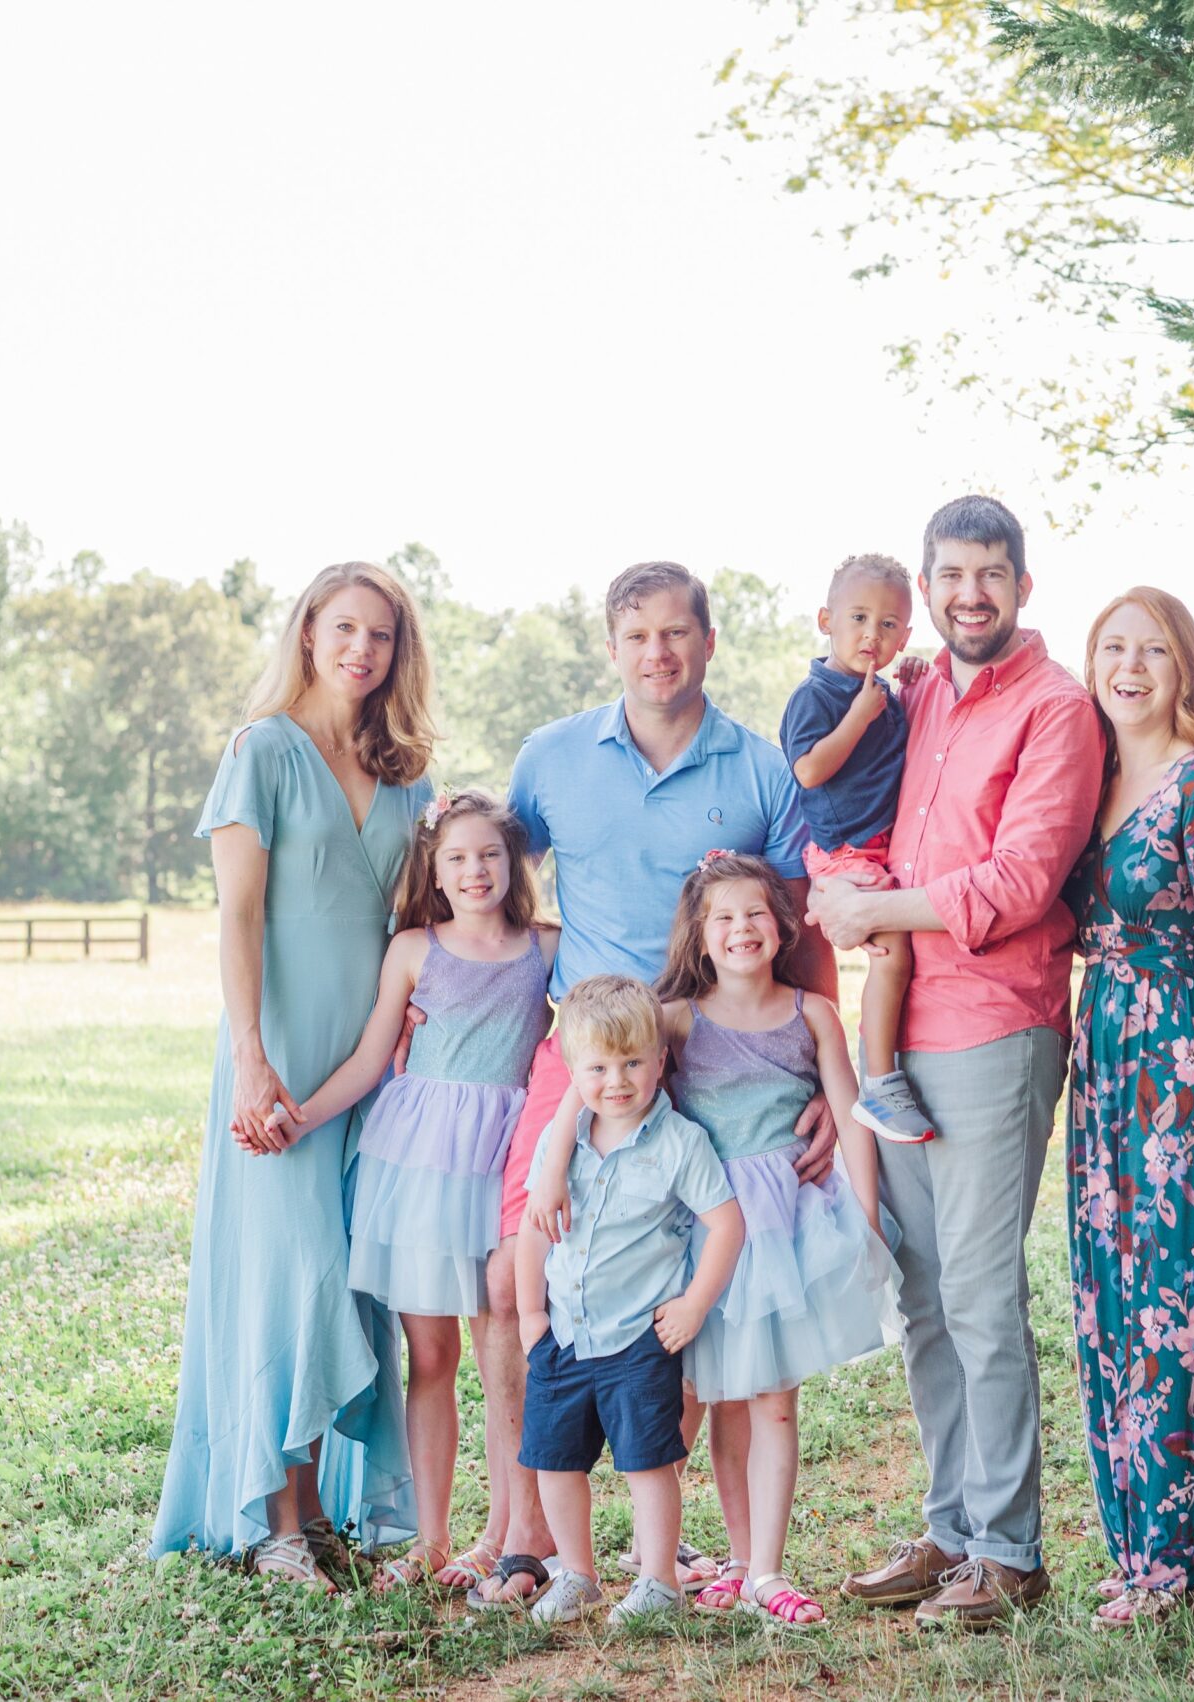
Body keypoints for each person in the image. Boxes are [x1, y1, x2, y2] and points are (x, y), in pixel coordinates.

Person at [453, 560, 834, 1604]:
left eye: (676, 632)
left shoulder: (761, 769)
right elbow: (490, 878)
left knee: (687, 1293)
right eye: (637, 635)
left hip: (708, 1061)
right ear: (611, 647)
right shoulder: (552, 757)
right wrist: (433, 993)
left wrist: (815, 1075)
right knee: (514, 1275)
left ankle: (662, 1546)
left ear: (708, 640)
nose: (657, 653)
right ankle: (525, 1533)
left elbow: (796, 931)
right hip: (581, 1054)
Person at [813, 495, 1104, 1628]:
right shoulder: (918, 691)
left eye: (990, 574)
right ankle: (950, 1529)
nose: (969, 594)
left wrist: (873, 908)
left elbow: (1020, 882)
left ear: (1022, 586)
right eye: (951, 575)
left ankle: (1011, 1553)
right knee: (923, 1295)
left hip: (997, 1026)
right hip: (900, 1037)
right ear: (928, 586)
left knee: (980, 1294)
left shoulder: (1057, 708)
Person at [150, 561, 437, 1587]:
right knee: (293, 1273)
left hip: (372, 1062)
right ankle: (275, 1518)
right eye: (344, 628)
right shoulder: (260, 751)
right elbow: (236, 915)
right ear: (308, 633)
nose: (362, 649)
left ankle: (315, 1512)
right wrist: (250, 1058)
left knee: (351, 1277)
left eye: (382, 635)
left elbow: (421, 919)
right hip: (278, 1051)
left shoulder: (409, 773)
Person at [532, 853, 889, 1624]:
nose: (741, 929)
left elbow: (849, 1111)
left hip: (784, 1230)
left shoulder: (814, 1014)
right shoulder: (676, 1018)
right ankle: (734, 1558)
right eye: (722, 917)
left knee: (774, 1401)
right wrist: (552, 1167)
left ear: (781, 925)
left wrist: (866, 1217)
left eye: (755, 913)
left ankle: (767, 1571)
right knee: (720, 1399)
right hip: (703, 1232)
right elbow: (589, 1080)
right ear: (698, 934)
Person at [264, 790, 558, 1595]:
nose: (475, 871)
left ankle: (509, 1533)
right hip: (421, 1161)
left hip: (505, 1157)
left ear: (515, 863)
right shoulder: (413, 950)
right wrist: (301, 1116)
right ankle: (431, 1537)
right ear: (434, 867)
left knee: (504, 1343)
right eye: (456, 858)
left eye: (490, 855)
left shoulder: (545, 946)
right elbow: (370, 1059)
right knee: (432, 1355)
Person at [1067, 589, 1194, 1627]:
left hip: (1185, 1056)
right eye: (1113, 647)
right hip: (1104, 1055)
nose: (1130, 666)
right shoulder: (1091, 777)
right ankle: (1142, 1546)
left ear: (1184, 665)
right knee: (1113, 1290)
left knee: (1184, 1295)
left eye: (1152, 649)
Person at [512, 976, 745, 1626]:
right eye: (598, 1068)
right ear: (572, 1071)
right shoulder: (561, 1146)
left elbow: (726, 1224)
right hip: (565, 1334)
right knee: (554, 1461)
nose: (616, 1081)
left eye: (632, 1063)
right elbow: (534, 1230)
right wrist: (531, 1314)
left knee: (649, 1464)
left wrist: (695, 1304)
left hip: (638, 1339)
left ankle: (658, 1581)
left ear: (660, 1060)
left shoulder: (679, 1144)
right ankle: (577, 1574)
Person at [777, 553, 933, 1144]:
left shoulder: (883, 692)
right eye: (859, 618)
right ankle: (880, 1081)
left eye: (889, 625)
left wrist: (910, 685)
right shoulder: (816, 696)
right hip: (844, 850)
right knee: (892, 955)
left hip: (877, 847)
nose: (873, 634)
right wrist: (859, 717)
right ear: (826, 620)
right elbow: (810, 770)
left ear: (905, 637)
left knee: (899, 953)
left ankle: (885, 1070)